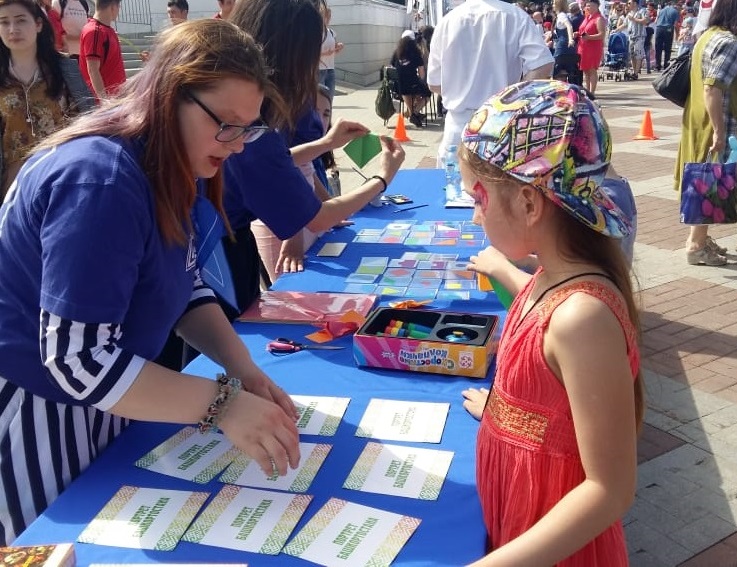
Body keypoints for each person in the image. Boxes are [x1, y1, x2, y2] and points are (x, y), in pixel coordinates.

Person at [0, 18, 301, 545]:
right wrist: (223, 403)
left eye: (248, 129)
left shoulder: (174, 159)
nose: (237, 146)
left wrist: (242, 371)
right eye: (226, 125)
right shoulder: (101, 180)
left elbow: (185, 282)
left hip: (110, 399)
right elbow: (78, 359)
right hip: (39, 417)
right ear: (169, 96)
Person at [457, 80, 642, 566]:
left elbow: (609, 489)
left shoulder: (583, 319)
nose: (475, 218)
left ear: (529, 203)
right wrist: (506, 414)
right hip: (523, 518)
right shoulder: (553, 275)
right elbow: (542, 330)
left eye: (478, 200)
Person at [219, 0, 405, 316]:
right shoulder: (249, 129)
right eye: (312, 57)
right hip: (216, 260)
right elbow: (314, 216)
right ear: (292, 59)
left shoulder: (238, 113)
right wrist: (382, 177)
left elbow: (279, 162)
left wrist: (326, 143)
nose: (314, 70)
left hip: (215, 251)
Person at [427, 0, 553, 168]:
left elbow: (434, 83)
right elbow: (543, 64)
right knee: (499, 182)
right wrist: (513, 98)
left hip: (458, 124)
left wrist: (460, 91)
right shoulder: (515, 16)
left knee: (453, 182)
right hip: (501, 122)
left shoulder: (447, 21)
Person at [0, 0, 93, 197]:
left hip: (62, 180)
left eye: (21, 20)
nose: (13, 29)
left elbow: (88, 117)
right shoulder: (3, 77)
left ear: (38, 24)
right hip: (13, 190)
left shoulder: (64, 69)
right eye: (4, 22)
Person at [674, 0, 736, 266]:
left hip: (698, 119)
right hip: (716, 123)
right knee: (709, 181)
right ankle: (696, 246)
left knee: (706, 179)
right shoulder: (729, 41)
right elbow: (712, 87)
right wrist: (719, 132)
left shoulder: (707, 36)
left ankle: (698, 239)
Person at [78, 0, 125, 99]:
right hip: (106, 101)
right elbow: (93, 70)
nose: (119, 10)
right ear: (113, 7)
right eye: (118, 7)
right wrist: (104, 101)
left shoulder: (108, 30)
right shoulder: (94, 32)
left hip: (116, 97)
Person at [390, 31, 432, 128]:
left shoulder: (396, 53)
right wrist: (422, 81)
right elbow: (421, 74)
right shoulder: (416, 53)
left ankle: (412, 113)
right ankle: (415, 113)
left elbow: (392, 66)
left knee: (408, 92)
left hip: (399, 87)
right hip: (413, 84)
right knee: (428, 93)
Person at [576, 0, 606, 93]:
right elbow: (582, 31)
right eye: (587, 6)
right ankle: (587, 90)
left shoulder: (599, 18)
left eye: (590, 6)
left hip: (593, 48)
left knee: (592, 70)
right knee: (585, 70)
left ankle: (592, 92)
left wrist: (589, 37)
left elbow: (602, 34)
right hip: (583, 47)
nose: (587, 8)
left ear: (596, 6)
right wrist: (577, 34)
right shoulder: (587, 17)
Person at [318, 4, 342, 103]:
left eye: (329, 16)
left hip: (330, 69)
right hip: (319, 70)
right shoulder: (317, 33)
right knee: (320, 100)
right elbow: (312, 53)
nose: (328, 19)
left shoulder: (331, 32)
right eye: (326, 16)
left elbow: (335, 49)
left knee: (329, 99)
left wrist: (338, 47)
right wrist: (325, 53)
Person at [551, 0, 580, 83]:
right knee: (571, 72)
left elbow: (569, 26)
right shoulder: (565, 15)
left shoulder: (561, 15)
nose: (553, 5)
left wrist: (570, 39)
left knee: (555, 71)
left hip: (563, 47)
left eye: (554, 3)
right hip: (569, 48)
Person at [624, 0, 649, 77]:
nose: (628, 5)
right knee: (632, 55)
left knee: (638, 54)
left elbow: (645, 21)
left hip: (639, 36)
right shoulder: (629, 13)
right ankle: (634, 71)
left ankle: (636, 73)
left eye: (629, 3)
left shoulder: (642, 11)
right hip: (631, 36)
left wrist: (634, 19)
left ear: (635, 3)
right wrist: (616, 30)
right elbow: (625, 24)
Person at [654, 0, 680, 69]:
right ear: (674, 4)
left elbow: (656, 21)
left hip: (659, 28)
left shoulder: (661, 10)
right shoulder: (675, 11)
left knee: (658, 47)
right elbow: (675, 24)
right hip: (668, 28)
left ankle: (657, 65)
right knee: (667, 48)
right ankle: (666, 64)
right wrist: (677, 34)